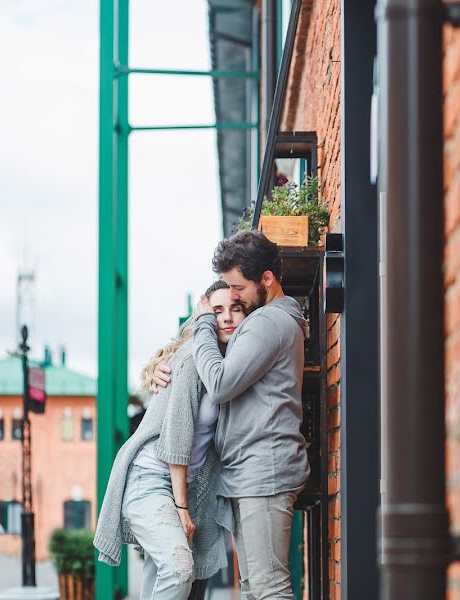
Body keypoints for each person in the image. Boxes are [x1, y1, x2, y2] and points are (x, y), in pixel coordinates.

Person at [154, 231, 310, 600]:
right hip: (251, 473)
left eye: (237, 287)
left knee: (269, 588)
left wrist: (204, 322)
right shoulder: (267, 322)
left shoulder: (268, 323)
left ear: (267, 280)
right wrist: (166, 364)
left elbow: (221, 383)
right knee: (255, 588)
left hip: (263, 472)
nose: (233, 295)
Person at [94, 281, 245, 600]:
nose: (228, 318)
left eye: (236, 309)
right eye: (217, 310)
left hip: (183, 487)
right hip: (151, 482)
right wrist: (181, 506)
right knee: (178, 569)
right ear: (204, 315)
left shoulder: (228, 366)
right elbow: (177, 437)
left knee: (162, 579)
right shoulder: (194, 359)